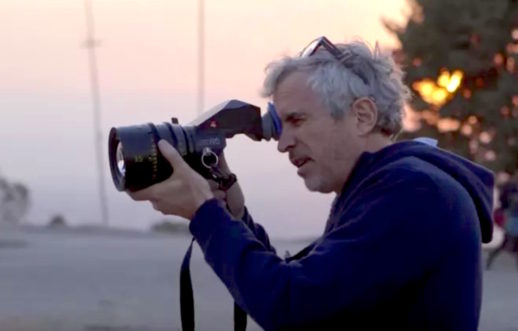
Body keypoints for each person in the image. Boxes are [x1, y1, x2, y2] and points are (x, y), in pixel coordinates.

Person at [129, 36, 494, 330]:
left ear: (362, 115)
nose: (283, 142)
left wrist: (205, 214)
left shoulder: (413, 193)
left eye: (297, 120)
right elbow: (315, 289)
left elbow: (293, 306)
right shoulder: (385, 187)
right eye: (280, 125)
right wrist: (233, 215)